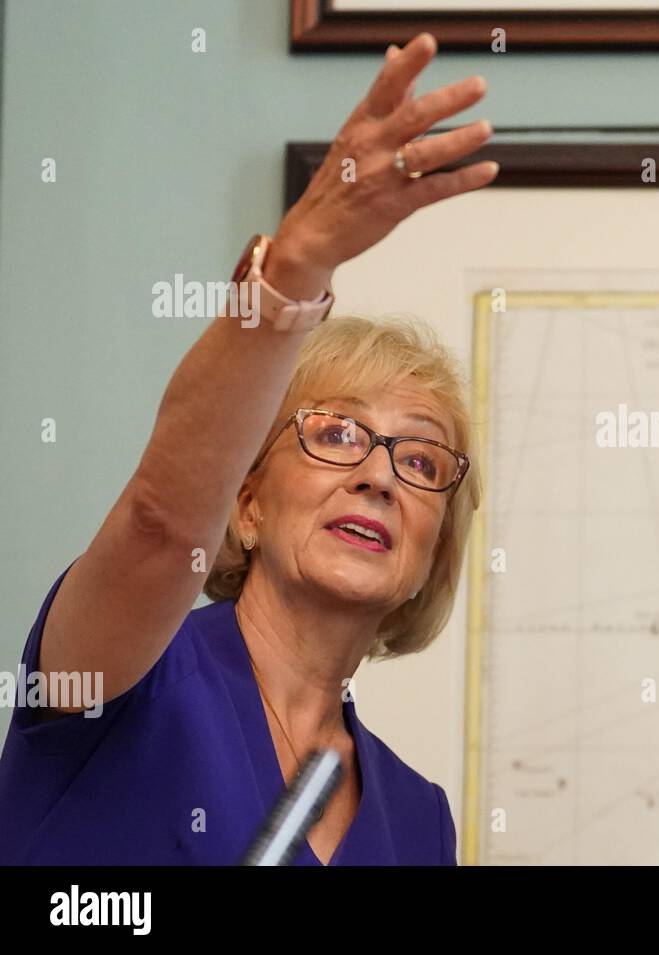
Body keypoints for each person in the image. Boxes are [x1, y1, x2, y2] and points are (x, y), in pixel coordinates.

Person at [0, 32, 496, 865]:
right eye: (336, 433)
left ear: (433, 551)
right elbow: (160, 523)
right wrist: (294, 270)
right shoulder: (123, 672)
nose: (378, 474)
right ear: (249, 499)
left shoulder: (421, 819)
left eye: (420, 461)